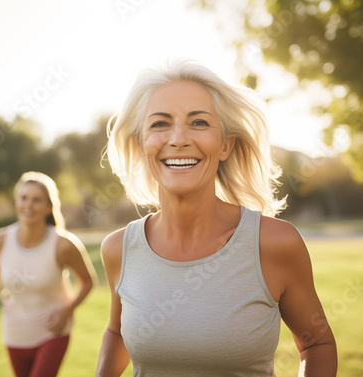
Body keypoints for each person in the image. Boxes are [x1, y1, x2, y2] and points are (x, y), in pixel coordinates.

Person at [95, 60, 337, 377]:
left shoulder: (275, 244)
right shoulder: (119, 249)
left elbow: (316, 344)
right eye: (159, 124)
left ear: (225, 144)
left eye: (198, 123)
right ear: (141, 145)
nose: (178, 139)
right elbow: (116, 333)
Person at [0, 171, 97, 377]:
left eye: (36, 200)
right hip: (15, 333)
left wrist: (67, 311)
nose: (28, 205)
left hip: (53, 332)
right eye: (24, 198)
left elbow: (88, 281)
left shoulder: (63, 245)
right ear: (17, 202)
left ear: (49, 207)